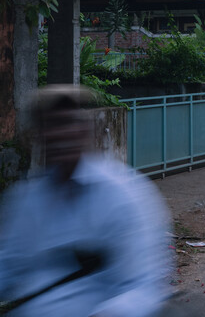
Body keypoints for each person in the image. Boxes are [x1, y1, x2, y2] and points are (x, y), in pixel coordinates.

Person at [0, 85, 173, 317]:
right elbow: (8, 267)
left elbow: (142, 286)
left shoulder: (123, 195)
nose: (60, 134)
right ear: (39, 136)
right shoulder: (27, 199)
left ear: (85, 129)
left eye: (68, 122)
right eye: (50, 125)